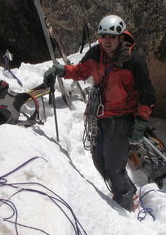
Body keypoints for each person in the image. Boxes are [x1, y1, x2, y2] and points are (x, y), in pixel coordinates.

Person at [44, 15, 155, 210]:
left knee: (113, 165)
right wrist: (61, 70)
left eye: (112, 37)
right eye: (103, 36)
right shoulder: (96, 53)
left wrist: (140, 123)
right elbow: (81, 71)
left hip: (121, 119)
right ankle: (125, 188)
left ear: (121, 37)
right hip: (99, 116)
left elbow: (148, 95)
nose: (107, 40)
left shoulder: (133, 61)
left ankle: (125, 200)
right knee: (99, 161)